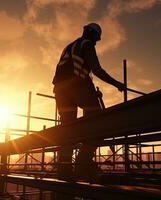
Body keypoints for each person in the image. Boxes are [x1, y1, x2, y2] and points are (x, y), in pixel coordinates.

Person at [52, 22, 125, 181]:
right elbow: (97, 70)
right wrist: (117, 84)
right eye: (97, 39)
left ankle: (64, 170)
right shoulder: (87, 44)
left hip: (60, 90)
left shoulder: (70, 46)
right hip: (77, 86)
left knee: (68, 128)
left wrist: (92, 90)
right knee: (98, 122)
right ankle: (83, 162)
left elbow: (76, 68)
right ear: (93, 34)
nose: (96, 42)